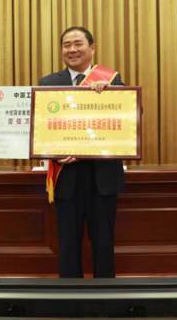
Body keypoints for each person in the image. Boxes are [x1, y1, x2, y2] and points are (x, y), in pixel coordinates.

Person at [38, 26, 125, 278]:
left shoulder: (111, 80)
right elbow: (42, 128)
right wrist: (54, 153)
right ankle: (69, 295)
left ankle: (106, 297)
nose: (72, 50)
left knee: (104, 244)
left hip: (102, 177)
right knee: (67, 245)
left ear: (92, 48)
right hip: (67, 175)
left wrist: (111, 95)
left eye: (78, 44)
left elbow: (129, 119)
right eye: (67, 45)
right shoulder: (48, 83)